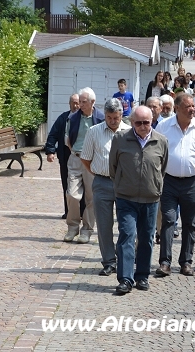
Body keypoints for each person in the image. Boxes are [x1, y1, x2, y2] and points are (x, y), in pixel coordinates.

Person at [155, 94, 195, 277]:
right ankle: (165, 262)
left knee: (189, 223)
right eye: (188, 107)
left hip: (192, 182)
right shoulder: (164, 127)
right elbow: (154, 152)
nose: (192, 109)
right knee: (168, 220)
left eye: (193, 106)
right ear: (177, 108)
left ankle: (186, 262)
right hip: (169, 181)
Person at [109, 106, 168, 294]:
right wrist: (122, 185)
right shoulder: (120, 139)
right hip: (126, 197)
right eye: (138, 122)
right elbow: (113, 167)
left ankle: (142, 276)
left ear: (152, 121)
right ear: (132, 122)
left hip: (151, 198)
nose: (142, 126)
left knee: (146, 238)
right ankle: (126, 279)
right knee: (126, 235)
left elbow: (162, 168)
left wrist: (155, 186)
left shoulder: (162, 141)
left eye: (146, 122)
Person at [80, 98, 131, 277]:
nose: (112, 121)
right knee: (103, 224)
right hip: (102, 182)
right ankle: (109, 261)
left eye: (115, 117)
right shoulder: (94, 132)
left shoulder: (130, 132)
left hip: (125, 183)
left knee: (127, 224)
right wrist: (98, 173)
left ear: (121, 115)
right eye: (109, 117)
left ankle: (124, 257)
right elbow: (85, 158)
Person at [63, 87, 105, 244]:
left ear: (93, 102)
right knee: (72, 194)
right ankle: (72, 227)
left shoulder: (100, 117)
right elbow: (67, 137)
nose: (80, 104)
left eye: (83, 101)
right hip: (75, 158)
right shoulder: (73, 118)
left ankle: (87, 230)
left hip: (92, 160)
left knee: (91, 197)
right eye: (79, 101)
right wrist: (74, 151)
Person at [45, 93, 80, 219]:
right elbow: (53, 135)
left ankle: (82, 212)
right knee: (66, 184)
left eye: (78, 103)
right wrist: (50, 151)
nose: (76, 105)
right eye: (73, 103)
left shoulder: (85, 118)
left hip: (81, 157)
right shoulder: (63, 118)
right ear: (69, 103)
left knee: (83, 186)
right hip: (65, 156)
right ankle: (69, 211)